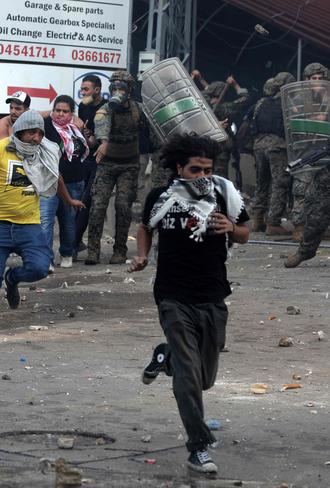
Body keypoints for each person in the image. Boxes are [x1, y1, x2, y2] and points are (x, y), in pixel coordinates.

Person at [130, 133, 249, 474]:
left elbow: (244, 232)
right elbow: (145, 228)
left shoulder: (224, 193)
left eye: (207, 169)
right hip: (172, 295)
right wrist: (141, 255)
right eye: (194, 169)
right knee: (188, 376)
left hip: (212, 295)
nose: (202, 176)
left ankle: (164, 356)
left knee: (204, 378)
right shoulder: (161, 196)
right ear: (179, 167)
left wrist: (230, 228)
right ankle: (197, 447)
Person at [0, 111, 84, 350]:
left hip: (29, 225)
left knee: (40, 268)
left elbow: (54, 177)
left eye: (39, 133)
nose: (36, 137)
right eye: (31, 132)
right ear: (19, 132)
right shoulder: (0, 148)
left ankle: (13, 278)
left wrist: (68, 200)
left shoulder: (45, 151)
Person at [86, 70, 147, 265]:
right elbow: (102, 125)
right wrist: (103, 141)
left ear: (129, 90)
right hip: (107, 164)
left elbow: (155, 128)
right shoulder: (105, 109)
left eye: (122, 87)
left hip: (129, 165)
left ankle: (120, 250)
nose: (118, 90)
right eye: (114, 87)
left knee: (123, 207)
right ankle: (93, 251)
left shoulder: (138, 109)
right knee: (97, 207)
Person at [41, 95, 88, 268]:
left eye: (65, 111)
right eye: (57, 110)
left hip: (73, 182)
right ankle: (46, 259)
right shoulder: (44, 126)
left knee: (68, 221)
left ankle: (67, 252)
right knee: (46, 221)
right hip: (48, 182)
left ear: (72, 114)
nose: (60, 114)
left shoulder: (76, 129)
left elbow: (84, 150)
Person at [290, 62, 328, 242]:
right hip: (305, 150)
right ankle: (299, 227)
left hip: (325, 149)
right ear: (307, 80)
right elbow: (293, 122)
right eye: (314, 78)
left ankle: (322, 227)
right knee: (301, 189)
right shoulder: (298, 99)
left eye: (321, 78)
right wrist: (317, 118)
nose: (318, 81)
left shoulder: (329, 99)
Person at [251, 73, 293, 235]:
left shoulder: (261, 102)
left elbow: (251, 123)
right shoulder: (287, 103)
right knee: (279, 183)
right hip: (277, 147)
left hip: (259, 146)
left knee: (261, 182)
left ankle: (257, 220)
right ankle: (273, 223)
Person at [74, 74, 107, 257]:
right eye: (82, 89)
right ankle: (75, 241)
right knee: (76, 199)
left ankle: (73, 243)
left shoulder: (106, 108)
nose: (83, 92)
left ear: (97, 90)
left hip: (100, 160)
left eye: (86, 89)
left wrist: (97, 139)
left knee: (87, 201)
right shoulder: (83, 107)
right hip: (85, 156)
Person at [202, 75, 249, 178]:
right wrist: (235, 84)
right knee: (219, 177)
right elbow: (245, 98)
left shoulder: (201, 106)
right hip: (220, 146)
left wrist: (200, 79)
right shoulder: (226, 108)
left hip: (203, 145)